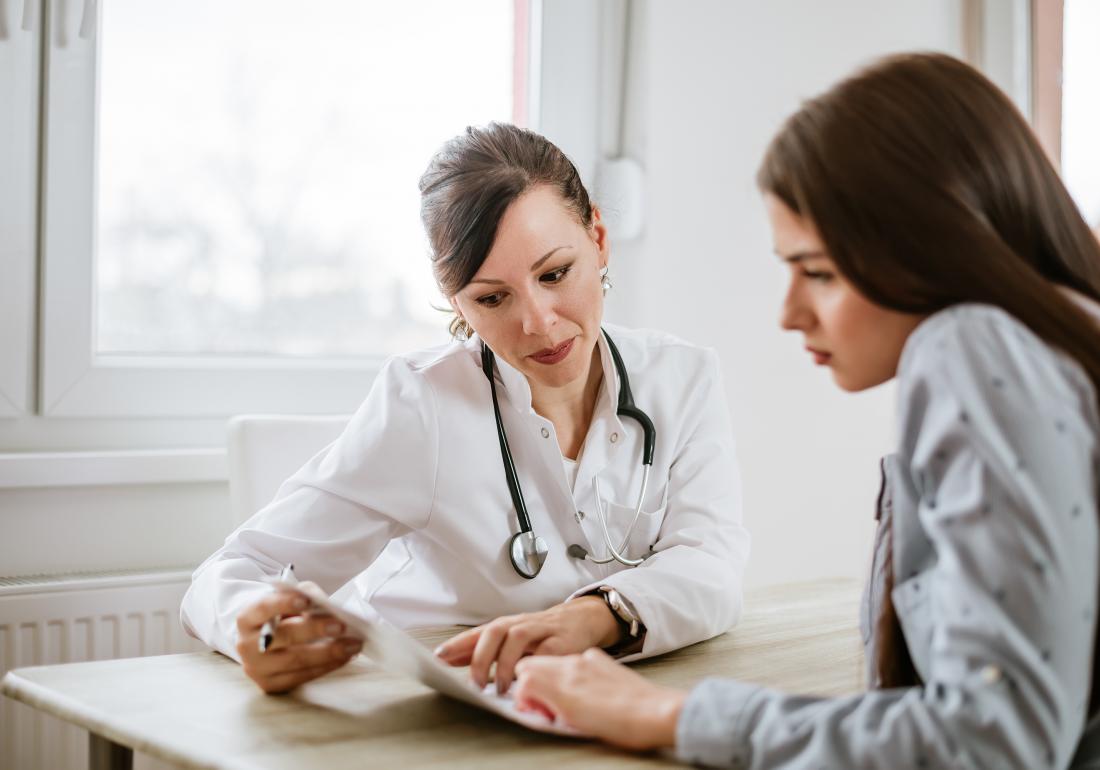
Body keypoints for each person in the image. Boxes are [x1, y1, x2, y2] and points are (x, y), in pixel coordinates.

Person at [510, 52, 1100, 769]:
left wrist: (671, 713)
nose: (789, 314)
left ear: (939, 246)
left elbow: (995, 739)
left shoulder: (970, 348)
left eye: (817, 272)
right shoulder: (1061, 338)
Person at [180, 123, 750, 695]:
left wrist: (596, 616)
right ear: (456, 301)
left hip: (599, 705)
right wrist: (250, 629)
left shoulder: (682, 378)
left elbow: (713, 565)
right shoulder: (422, 403)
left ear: (598, 237)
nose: (538, 321)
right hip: (431, 708)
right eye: (491, 297)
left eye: (555, 274)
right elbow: (229, 575)